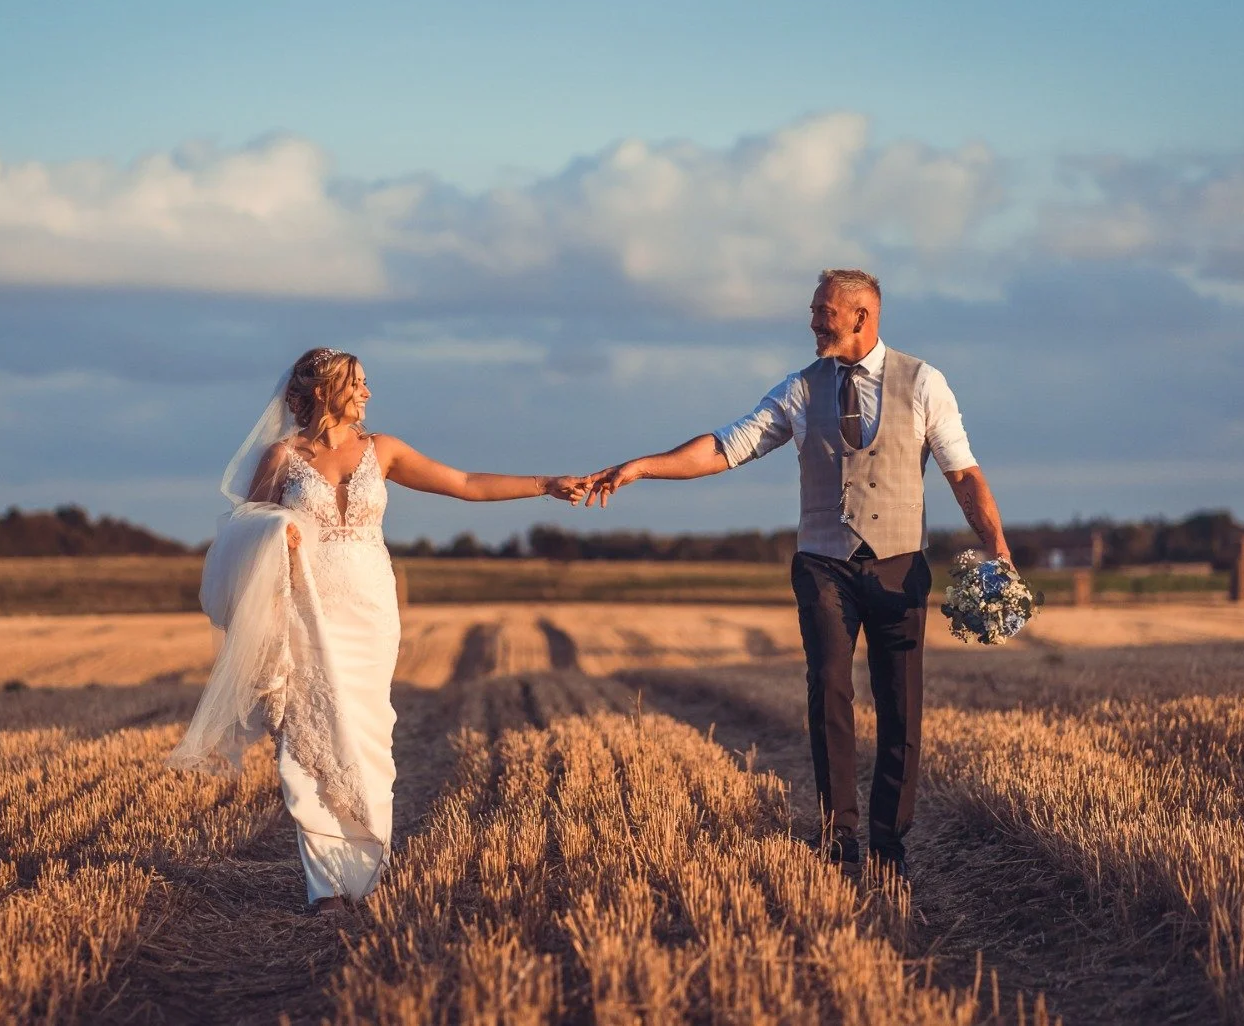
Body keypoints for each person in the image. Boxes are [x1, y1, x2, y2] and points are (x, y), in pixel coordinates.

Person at [585, 268, 1010, 883]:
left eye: (824, 312)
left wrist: (997, 548)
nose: (813, 322)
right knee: (830, 693)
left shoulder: (923, 382)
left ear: (862, 316)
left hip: (898, 567)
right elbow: (727, 446)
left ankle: (890, 847)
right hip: (822, 564)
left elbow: (963, 474)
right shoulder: (799, 389)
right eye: (815, 311)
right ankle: (839, 841)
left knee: (901, 707)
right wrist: (641, 467)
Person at [169, 347, 589, 914]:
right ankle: (327, 889)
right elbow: (240, 530)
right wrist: (278, 532)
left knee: (367, 734)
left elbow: (464, 482)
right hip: (307, 604)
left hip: (368, 608)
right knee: (308, 733)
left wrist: (546, 484)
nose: (367, 393)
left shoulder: (382, 450)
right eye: (357, 383)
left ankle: (366, 873)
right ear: (323, 390)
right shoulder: (283, 456)